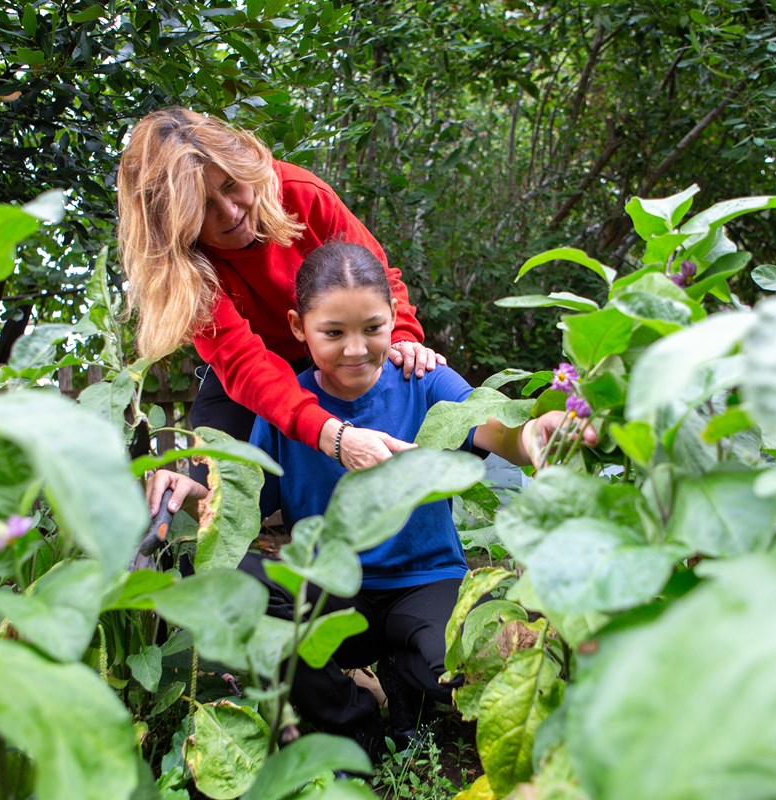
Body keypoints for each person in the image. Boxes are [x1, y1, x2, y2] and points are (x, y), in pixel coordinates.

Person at [146, 241, 597, 758]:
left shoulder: (424, 381)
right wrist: (193, 488)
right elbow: (244, 499)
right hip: (333, 591)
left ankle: (408, 688)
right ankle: (351, 720)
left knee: (462, 673)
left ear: (394, 321)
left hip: (425, 582)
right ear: (299, 327)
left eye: (372, 329)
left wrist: (533, 431)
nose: (355, 349)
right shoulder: (287, 408)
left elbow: (496, 432)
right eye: (333, 333)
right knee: (234, 582)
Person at [116, 107, 444, 472]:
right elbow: (244, 363)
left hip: (337, 342)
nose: (230, 212)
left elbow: (377, 277)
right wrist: (333, 436)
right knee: (218, 477)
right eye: (203, 206)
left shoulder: (300, 193)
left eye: (230, 185)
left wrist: (402, 337)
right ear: (172, 222)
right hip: (258, 364)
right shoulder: (181, 270)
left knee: (412, 390)